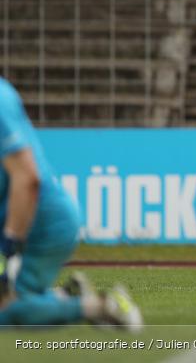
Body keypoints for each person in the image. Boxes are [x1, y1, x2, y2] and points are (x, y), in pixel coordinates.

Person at [0, 77, 141, 329]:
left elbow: (28, 178)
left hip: (41, 222)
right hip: (22, 217)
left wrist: (9, 248)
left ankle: (98, 306)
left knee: (8, 312)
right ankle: (65, 297)